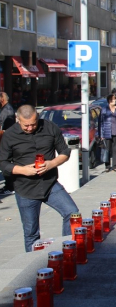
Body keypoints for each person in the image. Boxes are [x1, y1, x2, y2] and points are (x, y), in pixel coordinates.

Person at [0, 105, 79, 252]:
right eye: (26, 125)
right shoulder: (9, 135)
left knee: (72, 213)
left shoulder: (50, 127)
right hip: (25, 189)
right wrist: (22, 170)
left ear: (38, 118)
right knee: (31, 233)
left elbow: (65, 152)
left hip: (50, 184)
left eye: (33, 124)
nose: (30, 128)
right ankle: (34, 267)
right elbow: (3, 163)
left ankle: (68, 251)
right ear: (18, 120)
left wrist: (51, 164)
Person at [98, 94, 116, 172]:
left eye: (115, 99)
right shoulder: (104, 110)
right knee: (107, 150)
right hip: (107, 133)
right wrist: (101, 135)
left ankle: (115, 166)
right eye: (112, 100)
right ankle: (107, 166)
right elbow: (100, 123)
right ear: (109, 101)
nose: (114, 101)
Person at [0, 92, 16, 194]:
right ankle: (9, 185)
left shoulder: (7, 110)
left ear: (2, 99)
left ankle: (10, 187)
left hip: (6, 141)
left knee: (5, 162)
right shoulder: (5, 108)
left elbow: (5, 128)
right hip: (5, 140)